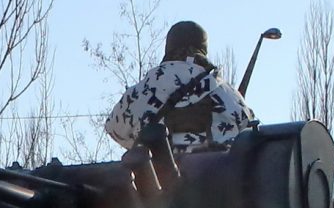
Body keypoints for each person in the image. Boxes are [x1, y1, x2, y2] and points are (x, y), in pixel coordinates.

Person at [103, 20, 256, 158]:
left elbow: (114, 128)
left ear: (168, 47)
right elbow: (248, 134)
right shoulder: (225, 92)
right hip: (216, 181)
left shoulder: (145, 89)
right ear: (203, 49)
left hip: (157, 183)